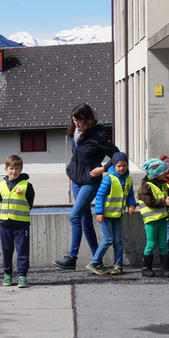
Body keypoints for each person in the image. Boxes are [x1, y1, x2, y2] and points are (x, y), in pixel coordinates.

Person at [54, 103, 120, 270]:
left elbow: (118, 155)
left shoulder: (98, 135)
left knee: (74, 216)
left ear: (88, 118)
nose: (76, 123)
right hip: (76, 179)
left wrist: (103, 168)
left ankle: (72, 257)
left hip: (91, 181)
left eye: (79, 120)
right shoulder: (75, 133)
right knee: (84, 220)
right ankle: (96, 259)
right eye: (74, 120)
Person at [87, 152, 136, 275]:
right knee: (109, 239)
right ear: (114, 166)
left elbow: (130, 195)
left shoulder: (128, 179)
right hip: (106, 216)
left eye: (124, 165)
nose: (121, 168)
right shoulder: (108, 179)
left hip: (117, 216)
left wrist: (131, 205)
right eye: (119, 166)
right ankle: (94, 262)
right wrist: (99, 212)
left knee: (118, 241)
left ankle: (118, 265)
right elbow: (99, 196)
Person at [0, 155, 34, 288]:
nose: (14, 171)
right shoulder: (0, 185)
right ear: (6, 169)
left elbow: (29, 203)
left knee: (22, 251)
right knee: (7, 250)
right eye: (11, 168)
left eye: (17, 169)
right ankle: (7, 273)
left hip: (21, 225)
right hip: (5, 224)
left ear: (21, 169)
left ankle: (22, 275)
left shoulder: (27, 186)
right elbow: (2, 200)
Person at [137, 158, 169, 278]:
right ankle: (146, 268)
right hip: (151, 221)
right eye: (164, 173)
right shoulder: (146, 186)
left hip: (162, 219)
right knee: (151, 243)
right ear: (157, 174)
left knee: (163, 243)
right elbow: (150, 202)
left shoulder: (164, 185)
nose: (166, 175)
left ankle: (165, 268)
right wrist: (164, 201)